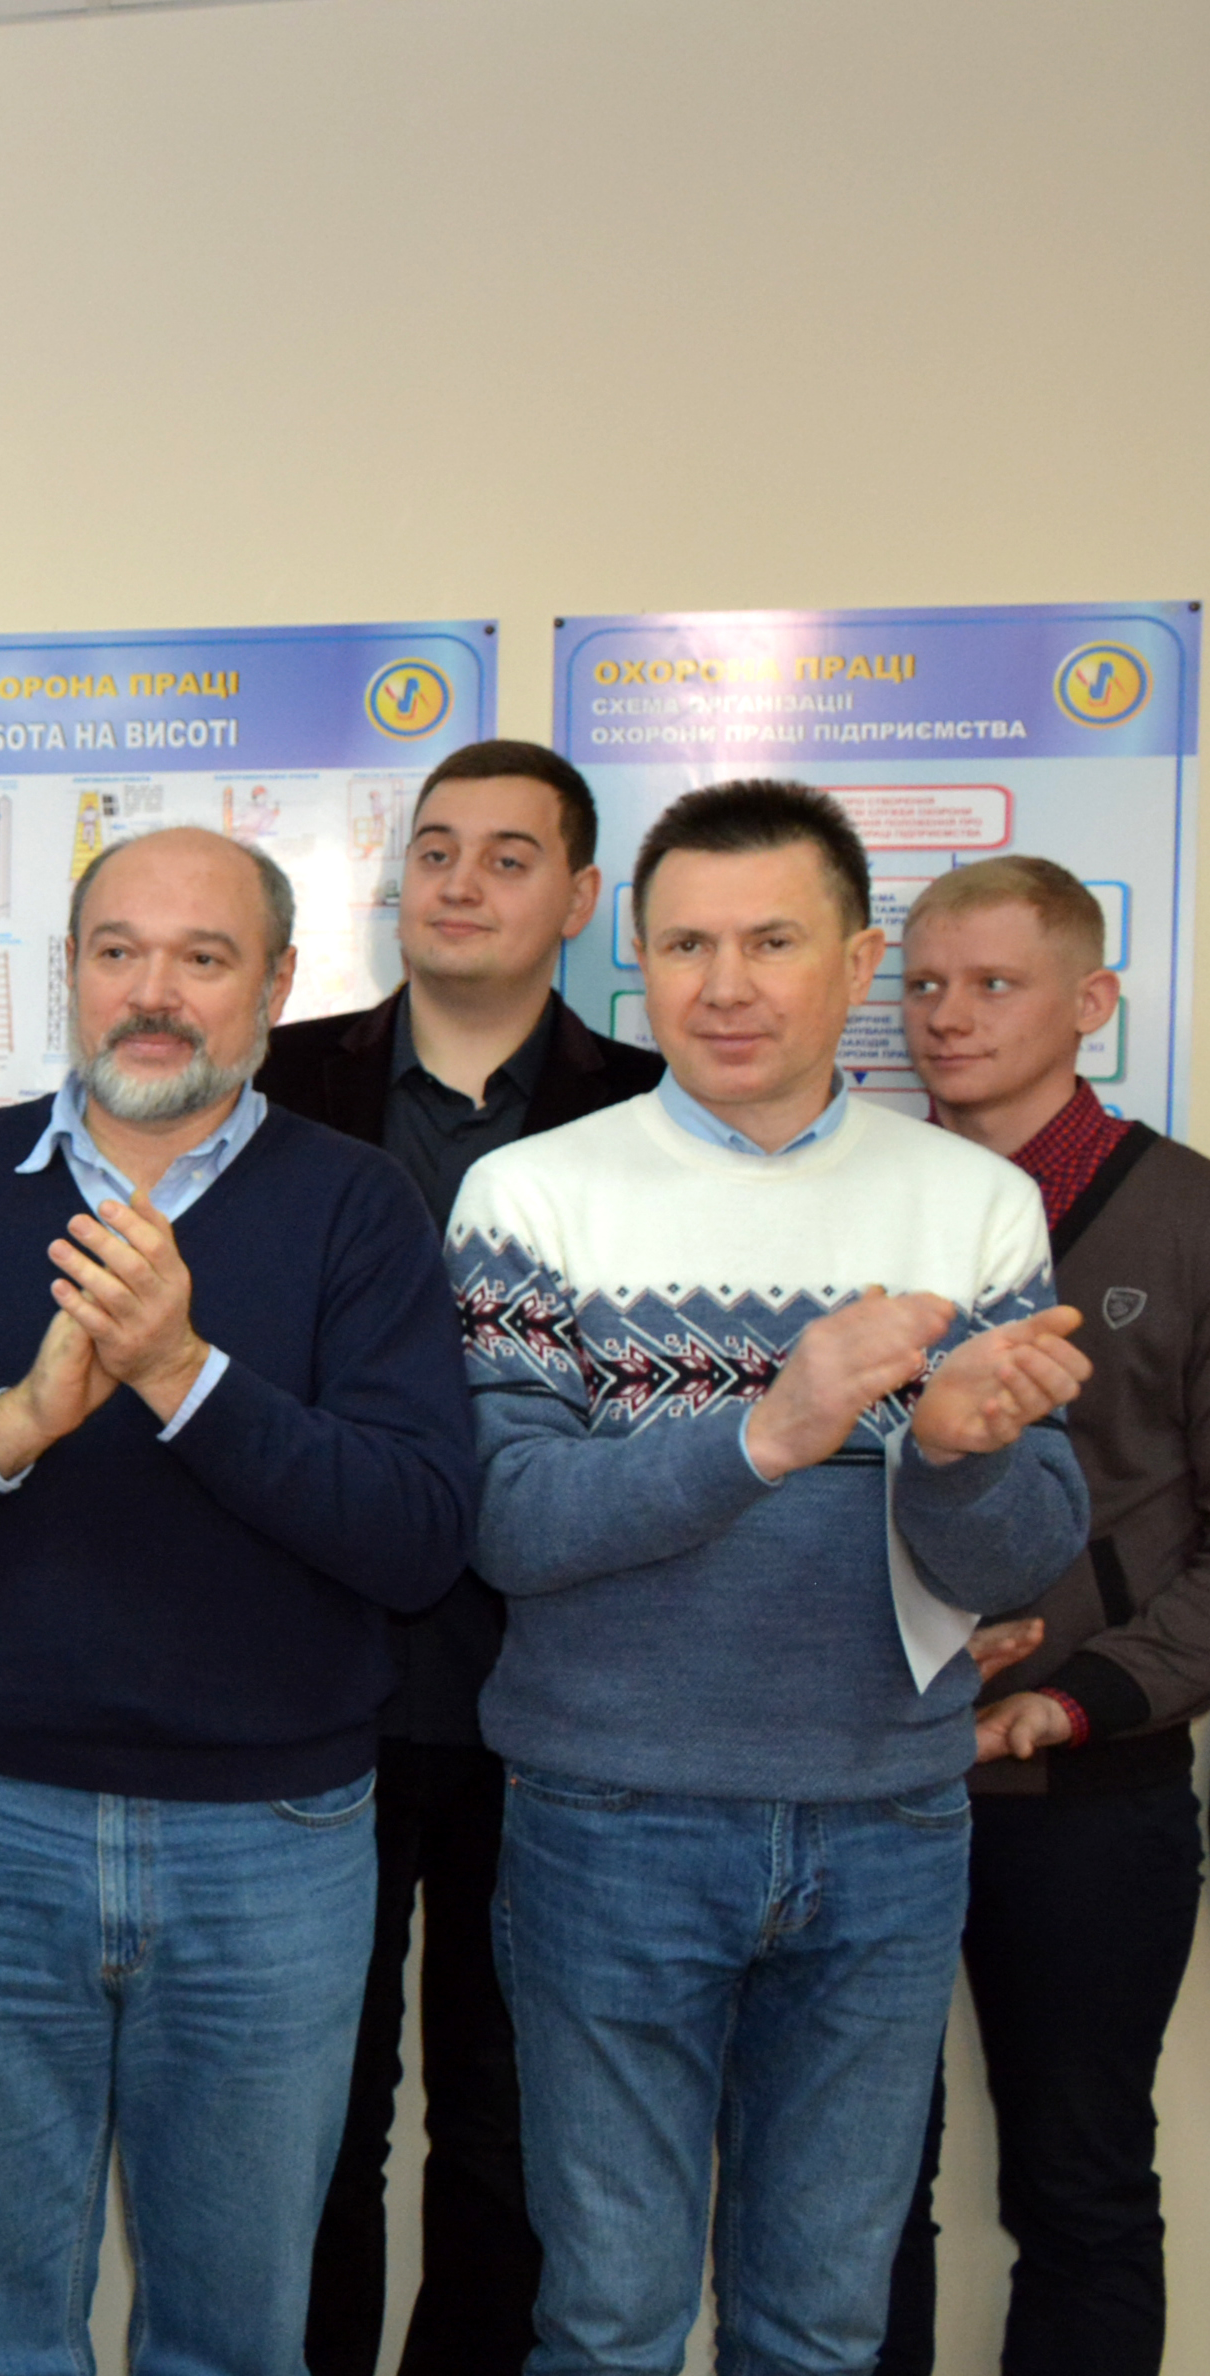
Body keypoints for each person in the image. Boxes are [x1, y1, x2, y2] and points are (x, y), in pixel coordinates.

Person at [0, 823, 480, 2374]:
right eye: (118, 952)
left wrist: (183, 1373)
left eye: (202, 957)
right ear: (68, 974)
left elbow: (419, 1536)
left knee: (231, 2340)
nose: (153, 992)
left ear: (276, 986)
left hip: (272, 1848)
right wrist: (14, 1425)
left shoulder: (359, 1207)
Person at [447, 781, 1093, 2376]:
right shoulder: (532, 1195)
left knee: (820, 2327)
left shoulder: (974, 1204)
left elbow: (1023, 1555)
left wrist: (954, 1454)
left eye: (773, 942)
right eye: (686, 946)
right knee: (608, 2322)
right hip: (611, 1818)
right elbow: (510, 1521)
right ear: (638, 962)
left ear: (858, 962)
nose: (725, 985)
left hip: (889, 1822)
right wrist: (773, 1429)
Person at [253, 741, 662, 2376]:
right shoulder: (272, 1080)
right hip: (309, 1688)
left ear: (580, 896)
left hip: (557, 1695)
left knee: (509, 2132)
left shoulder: (656, 1111)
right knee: (309, 2126)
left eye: (509, 855)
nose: (463, 882)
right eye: (436, 849)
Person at [876, 856, 1210, 2376]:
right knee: (857, 2193)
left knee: (1080, 2188)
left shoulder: (1187, 1218)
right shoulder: (864, 1206)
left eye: (995, 984)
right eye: (925, 985)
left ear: (1093, 1002)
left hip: (1091, 1799)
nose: (948, 1017)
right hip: (866, 1785)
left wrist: (1075, 1699)